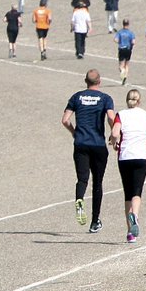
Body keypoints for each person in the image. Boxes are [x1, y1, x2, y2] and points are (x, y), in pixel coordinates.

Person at [61, 69, 115, 233]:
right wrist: (114, 135)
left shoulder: (77, 97)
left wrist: (74, 132)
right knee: (97, 183)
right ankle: (94, 221)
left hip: (81, 143)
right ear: (99, 81)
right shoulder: (105, 98)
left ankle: (79, 199)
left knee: (82, 179)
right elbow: (112, 117)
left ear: (86, 81)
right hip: (98, 144)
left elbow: (65, 120)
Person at [110, 89, 146, 243]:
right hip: (141, 156)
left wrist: (114, 142)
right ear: (139, 101)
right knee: (137, 192)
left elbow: (115, 132)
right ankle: (135, 216)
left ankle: (130, 233)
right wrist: (144, 136)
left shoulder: (121, 115)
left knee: (127, 193)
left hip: (125, 156)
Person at [115, 19, 136, 84]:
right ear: (128, 24)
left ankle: (122, 71)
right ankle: (125, 76)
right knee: (127, 64)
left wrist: (120, 42)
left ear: (123, 24)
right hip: (128, 49)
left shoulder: (120, 32)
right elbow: (133, 42)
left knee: (121, 65)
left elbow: (115, 39)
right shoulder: (131, 33)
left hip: (121, 48)